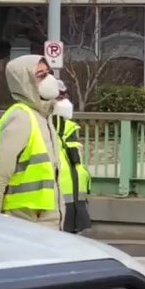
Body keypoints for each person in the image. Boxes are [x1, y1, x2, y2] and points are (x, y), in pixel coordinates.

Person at [0, 55, 64, 228]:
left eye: (48, 73)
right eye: (41, 75)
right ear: (25, 82)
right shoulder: (21, 117)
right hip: (26, 219)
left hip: (44, 218)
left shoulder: (44, 115)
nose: (50, 79)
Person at [52, 82, 91, 233]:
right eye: (60, 97)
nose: (65, 102)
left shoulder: (68, 127)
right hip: (57, 199)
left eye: (66, 96)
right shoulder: (42, 125)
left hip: (75, 198)